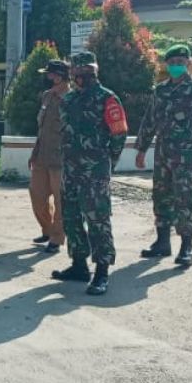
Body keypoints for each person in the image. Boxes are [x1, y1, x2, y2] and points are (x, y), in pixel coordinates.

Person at [52, 51, 128, 296]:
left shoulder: (107, 98)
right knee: (72, 218)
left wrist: (107, 163)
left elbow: (119, 134)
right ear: (72, 73)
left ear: (94, 72)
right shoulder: (69, 99)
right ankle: (79, 265)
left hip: (94, 171)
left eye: (87, 72)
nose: (82, 76)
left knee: (98, 220)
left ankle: (102, 271)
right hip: (71, 170)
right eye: (78, 72)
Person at [135, 44, 192, 268]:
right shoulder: (160, 90)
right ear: (166, 65)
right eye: (172, 64)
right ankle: (162, 242)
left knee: (184, 196)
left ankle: (186, 247)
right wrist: (141, 149)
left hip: (185, 152)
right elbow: (149, 120)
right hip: (162, 151)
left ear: (189, 64)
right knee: (161, 194)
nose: (176, 67)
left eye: (181, 63)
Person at [28, 59, 70, 254]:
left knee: (61, 201)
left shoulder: (71, 99)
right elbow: (42, 128)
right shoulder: (47, 96)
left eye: (50, 74)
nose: (47, 77)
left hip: (61, 160)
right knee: (37, 195)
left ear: (59, 76)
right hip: (42, 156)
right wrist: (34, 152)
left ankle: (57, 237)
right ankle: (47, 229)